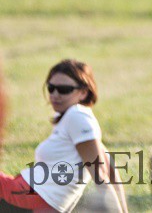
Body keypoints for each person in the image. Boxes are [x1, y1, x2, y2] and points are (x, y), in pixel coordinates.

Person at [0, 59, 127, 212]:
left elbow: (101, 177)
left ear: (83, 92)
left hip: (26, 199)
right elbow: (110, 168)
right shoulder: (76, 119)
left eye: (64, 89)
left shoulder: (78, 117)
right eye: (51, 88)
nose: (55, 94)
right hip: (24, 195)